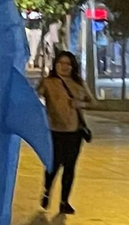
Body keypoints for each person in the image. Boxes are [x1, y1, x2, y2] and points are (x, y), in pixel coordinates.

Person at [37, 50, 93, 215]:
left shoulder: (79, 83)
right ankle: (47, 191)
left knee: (70, 167)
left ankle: (64, 201)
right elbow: (34, 97)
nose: (64, 67)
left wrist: (80, 104)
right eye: (61, 63)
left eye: (68, 64)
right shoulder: (48, 82)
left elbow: (92, 102)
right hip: (54, 131)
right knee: (52, 166)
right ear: (55, 64)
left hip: (74, 131)